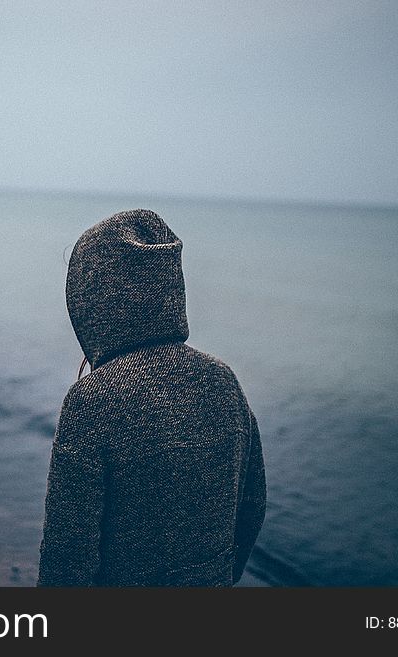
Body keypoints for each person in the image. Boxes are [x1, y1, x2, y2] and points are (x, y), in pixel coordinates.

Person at [37, 209, 265, 586]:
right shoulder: (224, 382)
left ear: (92, 302)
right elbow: (252, 508)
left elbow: (68, 556)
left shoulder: (93, 401)